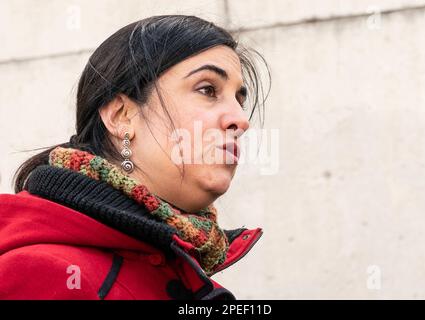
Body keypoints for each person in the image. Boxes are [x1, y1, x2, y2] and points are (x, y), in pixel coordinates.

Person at [0, 15, 270, 300]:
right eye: (207, 90)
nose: (241, 120)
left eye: (240, 100)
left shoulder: (180, 267)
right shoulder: (43, 274)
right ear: (122, 116)